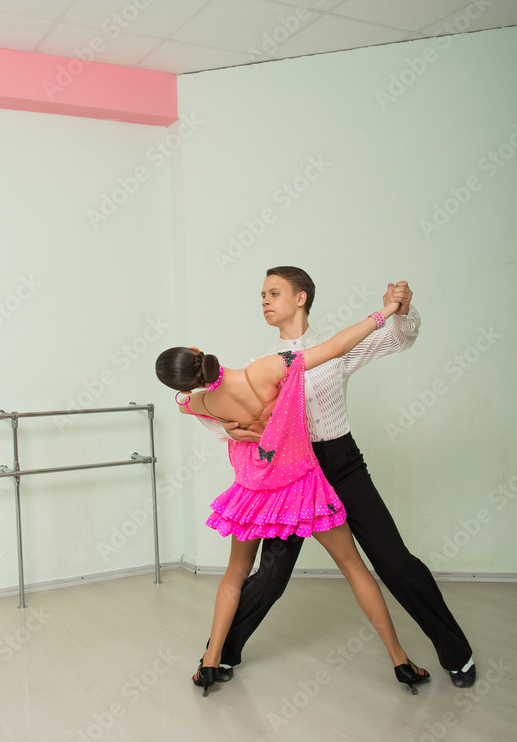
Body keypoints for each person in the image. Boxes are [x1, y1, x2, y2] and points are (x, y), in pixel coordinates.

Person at [195, 268, 476, 689]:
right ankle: (219, 654)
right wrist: (231, 431)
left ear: (301, 297)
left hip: (341, 463)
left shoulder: (336, 348)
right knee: (271, 576)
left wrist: (401, 308)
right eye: (262, 295)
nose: (265, 301)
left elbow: (400, 338)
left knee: (394, 560)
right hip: (291, 475)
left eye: (274, 293)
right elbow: (215, 406)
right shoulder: (263, 363)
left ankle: (456, 654)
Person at [155, 299, 430, 697]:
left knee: (235, 575)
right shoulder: (266, 369)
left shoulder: (203, 402)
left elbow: (183, 404)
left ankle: (211, 662)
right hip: (302, 487)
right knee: (354, 568)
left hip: (252, 496)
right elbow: (336, 347)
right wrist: (384, 312)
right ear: (198, 351)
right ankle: (400, 660)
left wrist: (199, 406)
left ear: (186, 383)